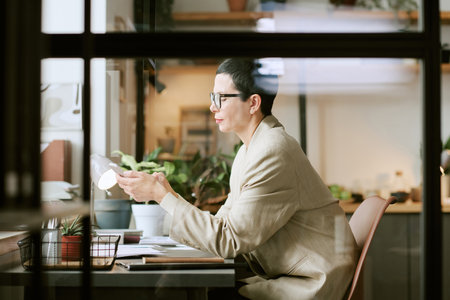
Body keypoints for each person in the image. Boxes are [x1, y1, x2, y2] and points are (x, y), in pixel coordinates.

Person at [116, 58, 358, 300]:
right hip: (281, 274)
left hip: (307, 284)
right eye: (213, 97)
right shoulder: (251, 149)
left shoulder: (272, 151)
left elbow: (227, 240)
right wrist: (170, 195)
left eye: (221, 98)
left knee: (180, 291)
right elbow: (223, 225)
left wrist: (162, 196)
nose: (213, 107)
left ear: (253, 102)